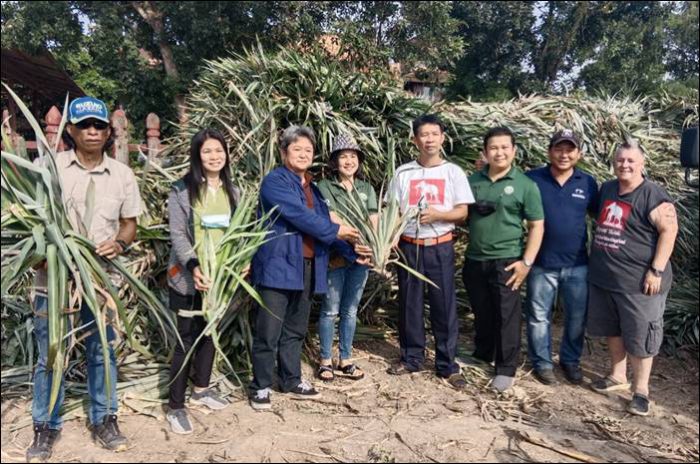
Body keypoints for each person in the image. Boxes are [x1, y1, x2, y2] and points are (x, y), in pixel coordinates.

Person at [28, 97, 141, 462]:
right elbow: (27, 221)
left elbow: (129, 224)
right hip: (53, 278)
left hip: (100, 279)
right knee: (51, 354)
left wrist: (120, 244)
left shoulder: (121, 174)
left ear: (108, 132)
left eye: (99, 125)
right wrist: (42, 254)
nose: (93, 131)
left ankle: (104, 418)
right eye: (85, 125)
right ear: (71, 131)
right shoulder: (49, 167)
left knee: (103, 351)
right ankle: (46, 426)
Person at [248, 125, 362, 410]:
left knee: (296, 329)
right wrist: (339, 231)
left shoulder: (313, 188)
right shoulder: (275, 182)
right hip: (278, 265)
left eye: (308, 150)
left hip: (307, 266)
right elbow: (301, 217)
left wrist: (355, 253)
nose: (303, 154)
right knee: (269, 330)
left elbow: (324, 225)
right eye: (296, 149)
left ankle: (291, 379)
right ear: (284, 152)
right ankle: (260, 385)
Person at [587, 140, 678, 416]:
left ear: (642, 164)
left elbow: (669, 232)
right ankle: (617, 376)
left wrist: (656, 270)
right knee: (613, 330)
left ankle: (641, 391)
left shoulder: (652, 194)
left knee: (640, 335)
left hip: (640, 283)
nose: (624, 165)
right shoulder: (607, 189)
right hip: (606, 278)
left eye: (630, 161)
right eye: (620, 160)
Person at [386, 114, 474, 390]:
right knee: (409, 304)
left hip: (440, 247)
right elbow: (392, 210)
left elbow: (462, 211)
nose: (429, 139)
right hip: (410, 247)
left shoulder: (453, 172)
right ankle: (412, 358)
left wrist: (439, 215)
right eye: (424, 134)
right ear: (415, 140)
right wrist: (390, 237)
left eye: (434, 134)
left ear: (442, 138)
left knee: (444, 305)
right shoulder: (403, 173)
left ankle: (447, 364)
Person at [165, 129, 238, 434]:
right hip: (188, 277)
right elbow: (178, 234)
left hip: (220, 278)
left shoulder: (234, 192)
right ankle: (175, 406)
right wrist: (193, 265)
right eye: (207, 151)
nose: (214, 157)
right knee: (185, 339)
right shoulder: (182, 190)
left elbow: (239, 231)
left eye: (218, 151)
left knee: (210, 333)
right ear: (197, 155)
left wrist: (240, 264)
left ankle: (202, 389)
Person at [463, 126, 544, 393]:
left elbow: (536, 226)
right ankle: (483, 354)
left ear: (514, 151)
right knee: (482, 311)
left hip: (507, 260)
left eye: (504, 147)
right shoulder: (472, 181)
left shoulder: (525, 186)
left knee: (507, 315)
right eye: (493, 148)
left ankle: (506, 367)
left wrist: (526, 263)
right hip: (475, 258)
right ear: (485, 152)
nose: (499, 152)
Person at [524, 130, 599, 385]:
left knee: (577, 317)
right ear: (549, 151)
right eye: (559, 149)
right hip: (541, 264)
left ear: (578, 154)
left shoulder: (587, 183)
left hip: (577, 264)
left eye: (570, 150)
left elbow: (601, 216)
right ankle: (542, 363)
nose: (564, 155)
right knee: (538, 317)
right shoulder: (532, 179)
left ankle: (570, 360)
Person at [316, 134, 377, 382]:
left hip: (362, 258)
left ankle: (346, 358)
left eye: (353, 156)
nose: (348, 161)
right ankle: (325, 360)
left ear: (359, 161)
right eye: (343, 157)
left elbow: (374, 221)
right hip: (336, 255)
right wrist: (355, 242)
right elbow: (332, 219)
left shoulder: (367, 189)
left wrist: (371, 247)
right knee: (330, 310)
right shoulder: (325, 187)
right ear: (335, 162)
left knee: (350, 310)